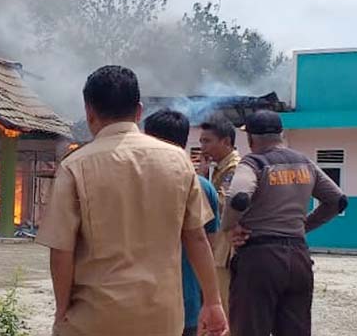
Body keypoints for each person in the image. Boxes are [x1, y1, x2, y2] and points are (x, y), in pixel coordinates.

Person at [37, 65, 227, 336]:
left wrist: (62, 310)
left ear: (89, 112)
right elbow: (197, 238)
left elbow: (61, 252)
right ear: (139, 111)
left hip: (94, 318)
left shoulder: (75, 166)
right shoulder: (178, 161)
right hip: (162, 318)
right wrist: (213, 301)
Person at [222, 110, 346, 336]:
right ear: (280, 134)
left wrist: (230, 227)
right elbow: (338, 200)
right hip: (298, 258)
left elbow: (238, 197)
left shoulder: (254, 162)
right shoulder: (304, 162)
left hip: (259, 258)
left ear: (250, 139)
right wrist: (303, 226)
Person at [144, 109, 221, 336]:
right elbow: (209, 243)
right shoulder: (203, 186)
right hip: (187, 298)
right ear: (185, 141)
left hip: (140, 299)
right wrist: (212, 299)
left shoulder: (133, 181)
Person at [197, 113, 240, 318]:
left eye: (207, 141)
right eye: (201, 141)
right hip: (220, 247)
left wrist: (201, 180)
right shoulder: (220, 168)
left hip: (227, 249)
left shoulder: (235, 168)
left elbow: (222, 205)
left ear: (226, 142)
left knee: (224, 304)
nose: (202, 147)